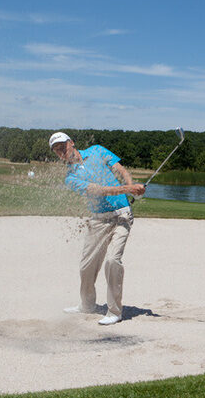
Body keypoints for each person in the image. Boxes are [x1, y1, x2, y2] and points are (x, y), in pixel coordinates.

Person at [49, 131, 146, 325]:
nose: (61, 152)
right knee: (86, 266)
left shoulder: (97, 151)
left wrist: (132, 186)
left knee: (112, 261)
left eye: (63, 146)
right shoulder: (70, 178)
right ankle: (87, 305)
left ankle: (114, 311)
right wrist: (129, 190)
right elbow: (99, 191)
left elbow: (121, 170)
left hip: (121, 215)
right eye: (57, 150)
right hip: (98, 220)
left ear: (72, 143)